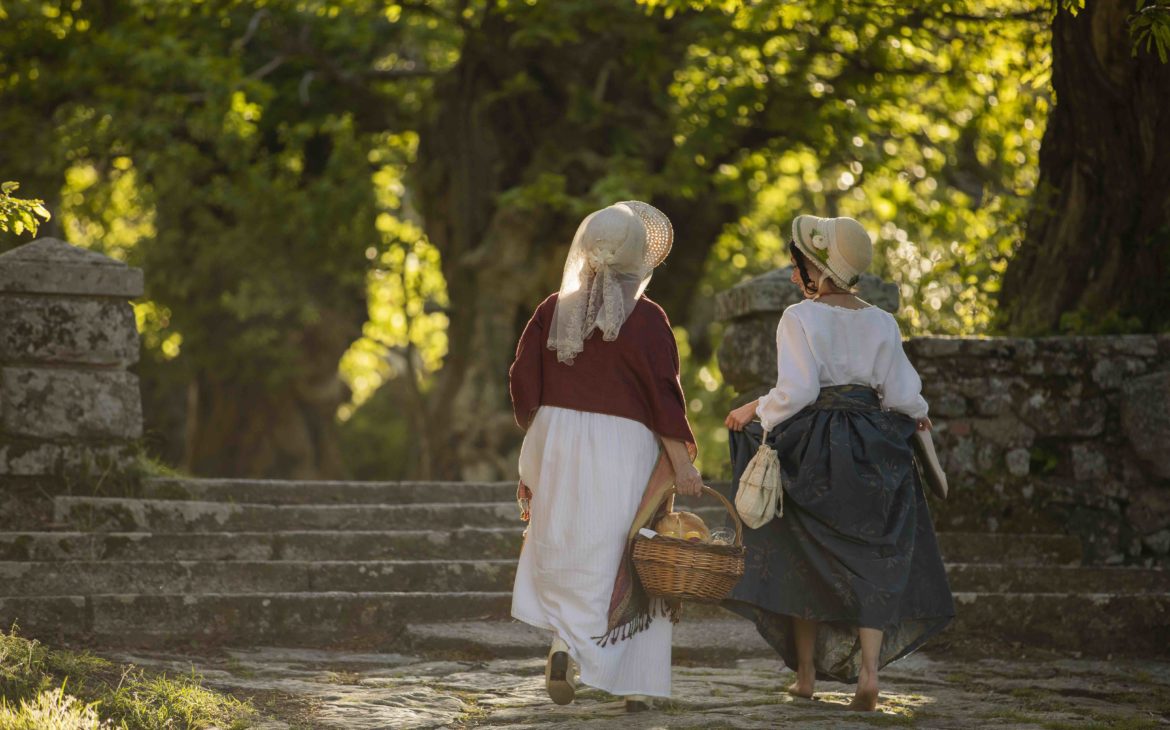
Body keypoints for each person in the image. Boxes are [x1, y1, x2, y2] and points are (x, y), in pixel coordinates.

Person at [723, 215, 954, 711]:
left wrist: (754, 410)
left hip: (816, 444)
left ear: (820, 271)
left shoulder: (799, 318)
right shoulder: (881, 320)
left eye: (799, 265)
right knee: (874, 554)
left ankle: (806, 676)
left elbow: (799, 391)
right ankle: (869, 675)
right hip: (875, 444)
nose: (792, 276)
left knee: (799, 550)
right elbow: (902, 394)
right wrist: (917, 418)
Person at [508, 201, 703, 712]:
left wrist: (546, 432)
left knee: (570, 542)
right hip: (623, 445)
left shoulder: (554, 309)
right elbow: (664, 393)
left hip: (557, 436)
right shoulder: (649, 318)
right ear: (639, 256)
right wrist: (681, 461)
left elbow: (522, 382)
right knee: (630, 549)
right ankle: (638, 682)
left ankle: (565, 647)